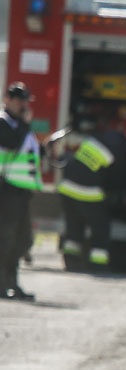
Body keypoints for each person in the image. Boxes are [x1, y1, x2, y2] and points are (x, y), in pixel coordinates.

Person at [58, 116, 126, 272]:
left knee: (74, 227)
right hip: (88, 193)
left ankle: (71, 262)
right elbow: (116, 181)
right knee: (101, 229)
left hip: (66, 188)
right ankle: (98, 265)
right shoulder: (118, 153)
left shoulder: (94, 140)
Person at [0, 82, 42, 301]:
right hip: (5, 191)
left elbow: (27, 151)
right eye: (19, 100)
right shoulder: (4, 123)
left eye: (25, 100)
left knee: (22, 239)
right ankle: (3, 284)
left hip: (20, 192)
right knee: (5, 239)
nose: (23, 105)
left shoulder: (20, 125)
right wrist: (26, 125)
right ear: (7, 100)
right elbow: (13, 144)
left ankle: (12, 283)